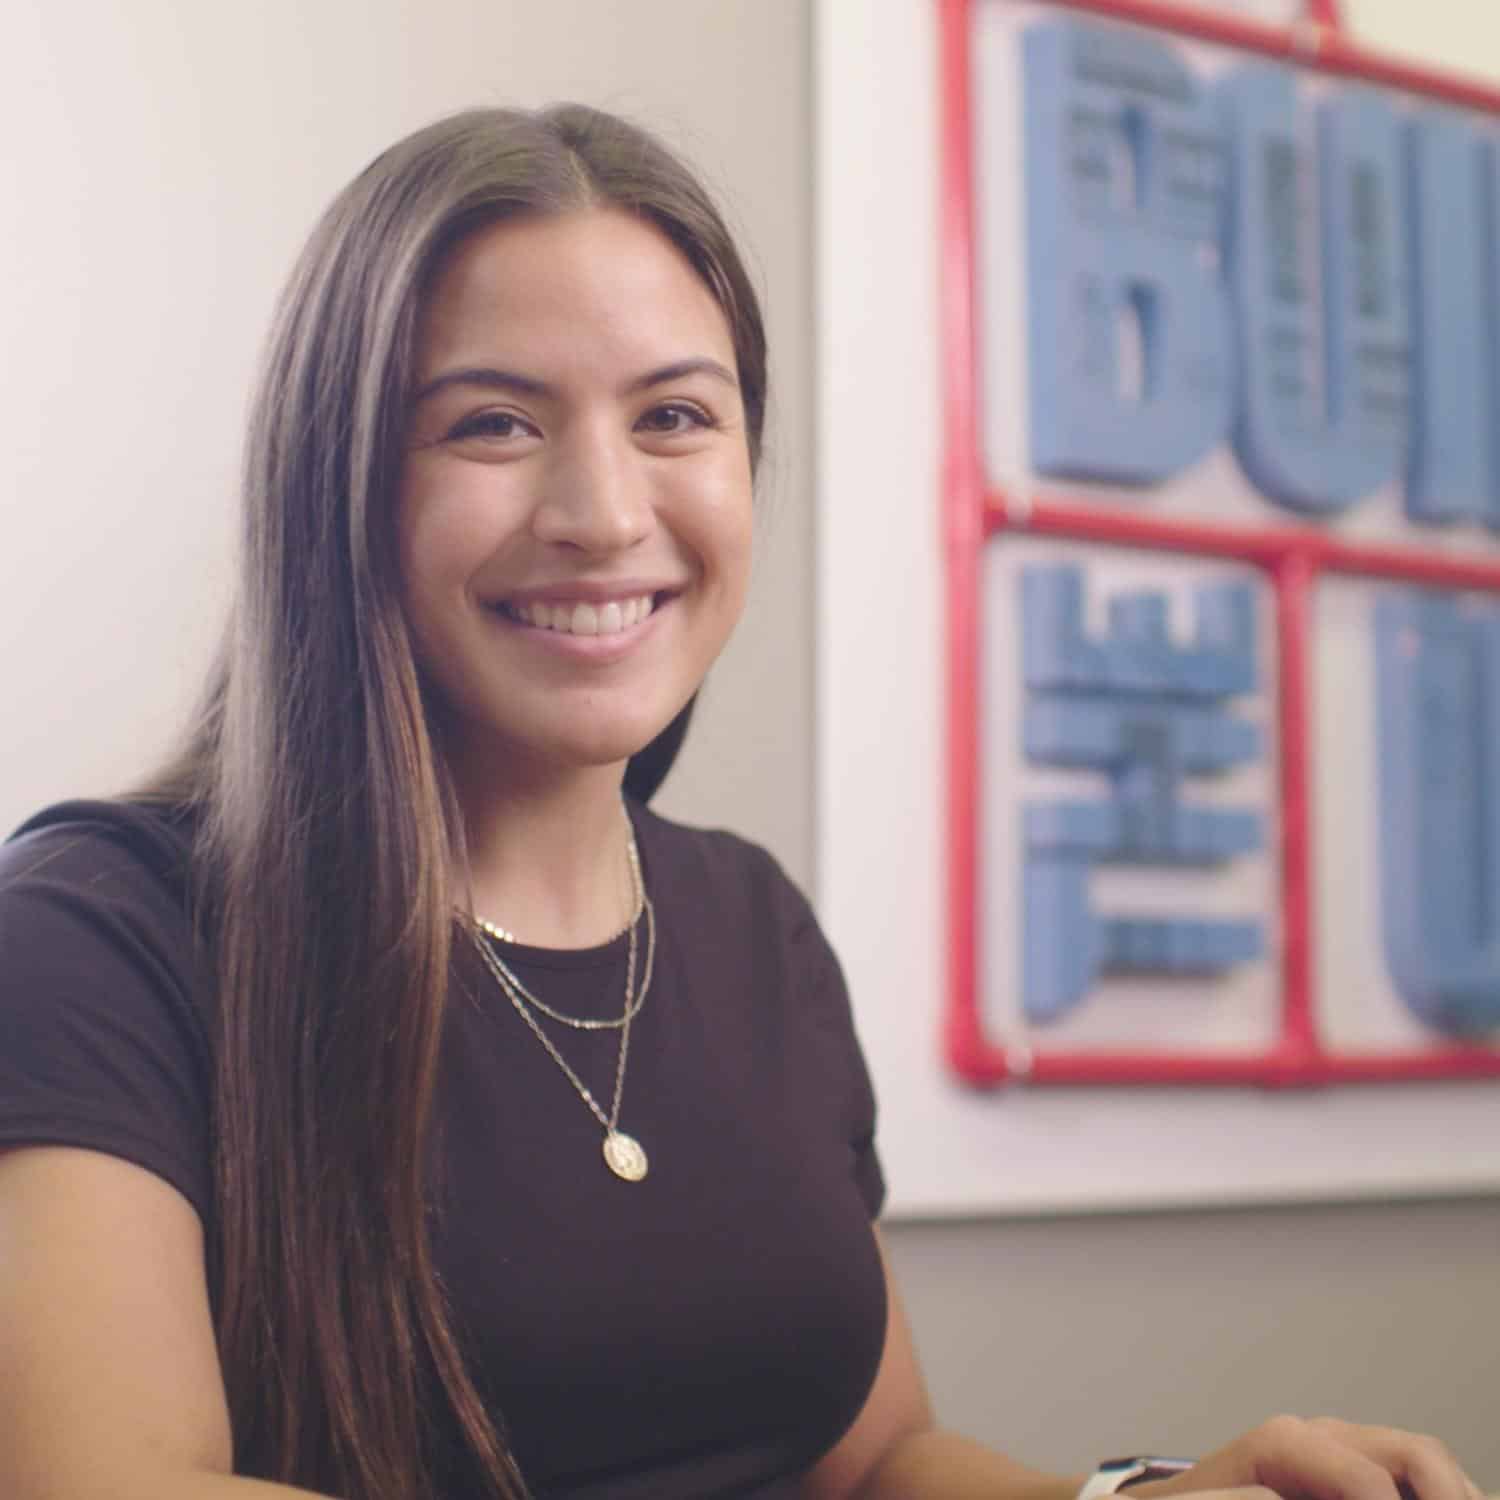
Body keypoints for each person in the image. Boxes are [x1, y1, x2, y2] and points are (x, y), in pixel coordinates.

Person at [0, 104, 1485, 1500]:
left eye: (675, 418)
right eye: (494, 425)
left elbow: (869, 1465)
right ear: (339, 484)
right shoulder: (106, 934)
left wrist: (1137, 1494)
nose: (603, 512)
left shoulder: (748, 924)